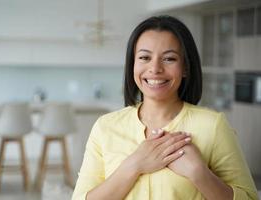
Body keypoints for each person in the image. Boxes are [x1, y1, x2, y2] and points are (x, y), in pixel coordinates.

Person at [72, 15, 258, 200]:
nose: (155, 68)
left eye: (169, 59)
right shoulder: (105, 127)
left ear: (185, 67)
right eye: (144, 57)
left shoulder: (213, 126)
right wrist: (134, 165)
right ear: (132, 65)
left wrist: (199, 173)